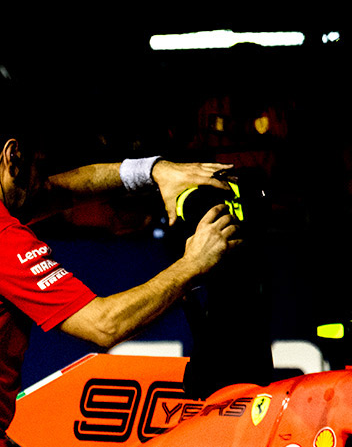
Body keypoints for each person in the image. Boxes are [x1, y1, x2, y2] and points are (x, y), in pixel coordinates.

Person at [0, 138, 238, 433]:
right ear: (13, 157)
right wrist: (193, 263)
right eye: (43, 167)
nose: (47, 183)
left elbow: (67, 188)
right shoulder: (3, 238)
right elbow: (104, 325)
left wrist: (154, 170)